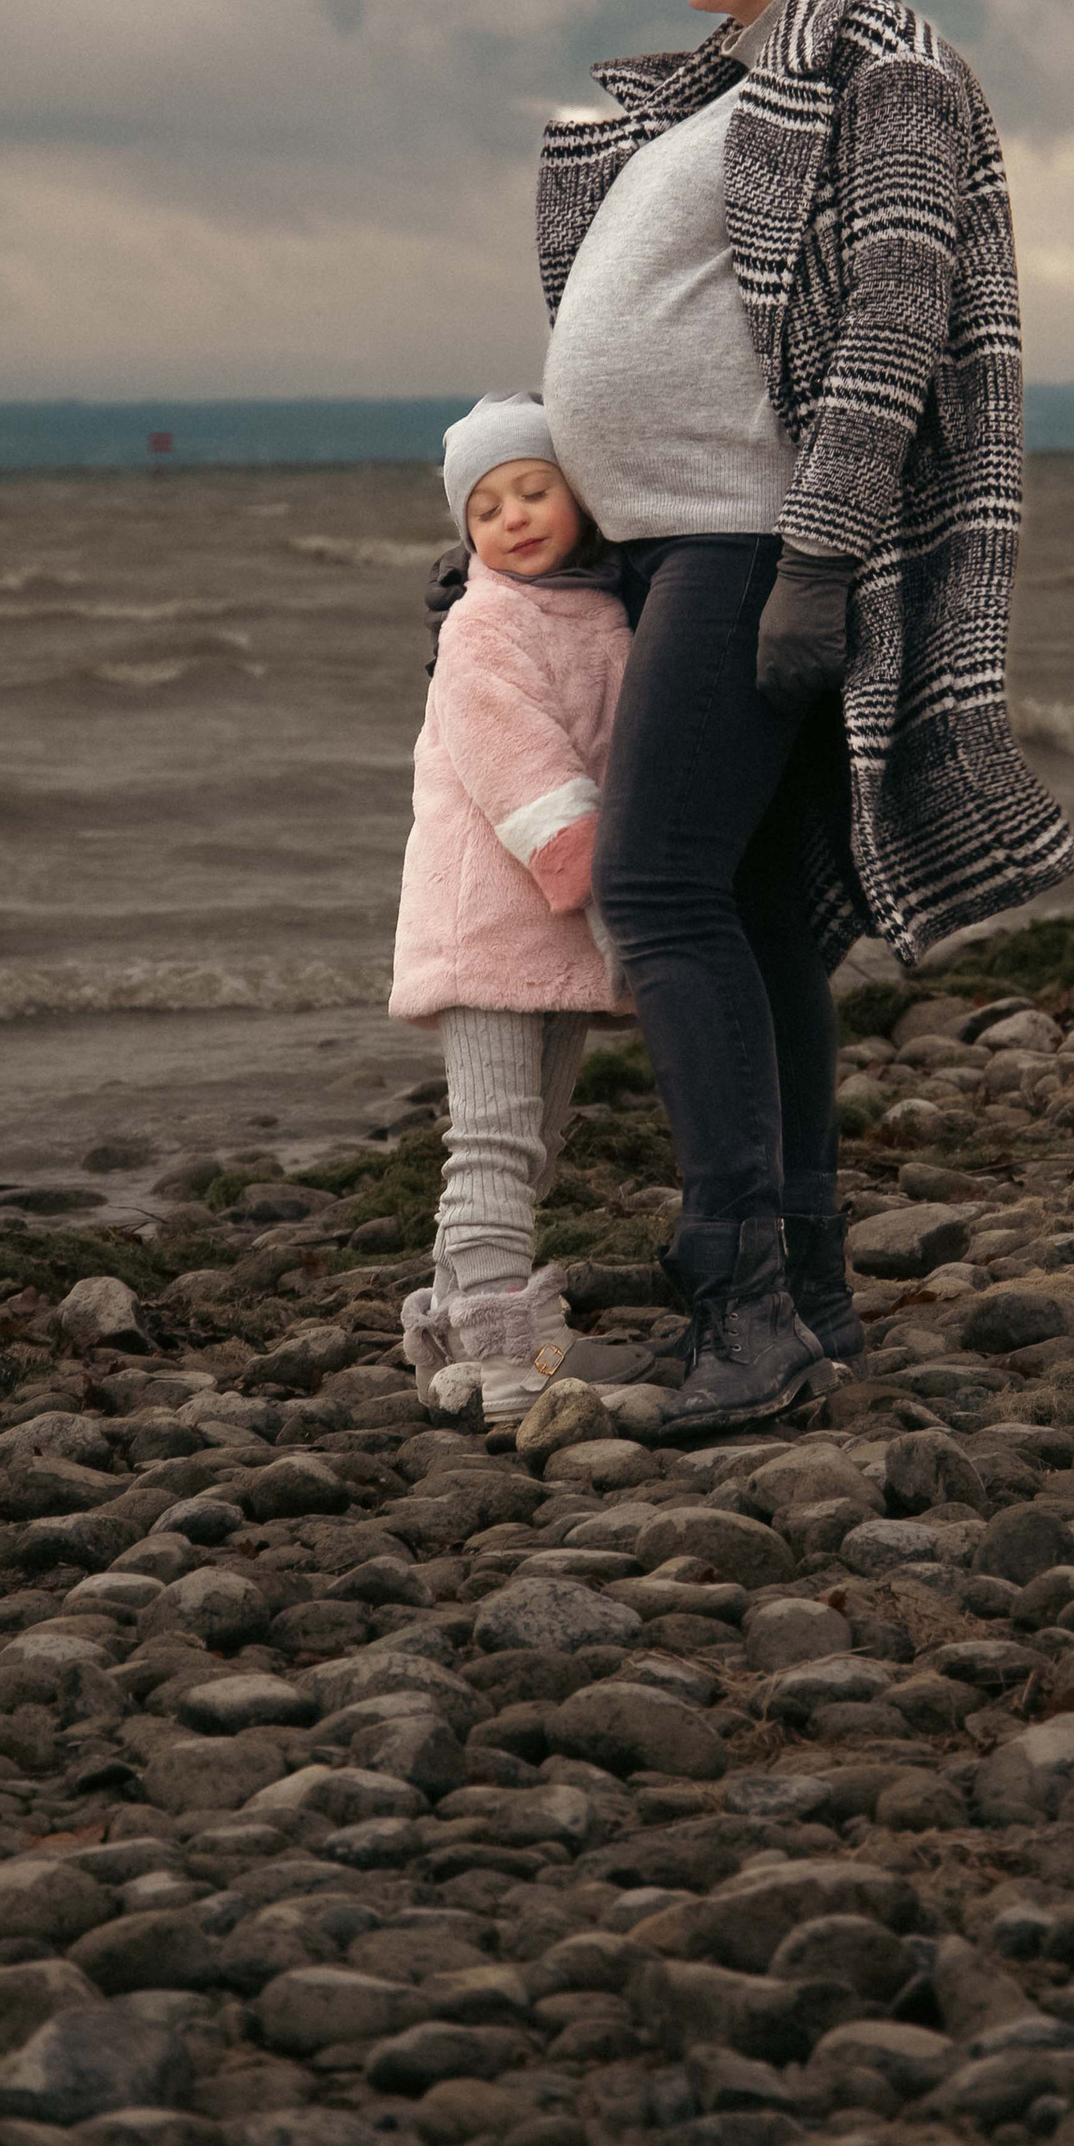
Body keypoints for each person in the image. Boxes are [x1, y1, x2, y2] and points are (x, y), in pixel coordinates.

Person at [539, 0, 1074, 1437]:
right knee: (759, 914)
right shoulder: (711, 95)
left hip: (753, 541)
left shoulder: (883, 72)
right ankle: (811, 1293)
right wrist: (535, 519)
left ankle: (737, 1298)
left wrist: (826, 554)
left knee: (657, 893)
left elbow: (896, 323)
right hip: (666, 540)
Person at [386, 394, 635, 1422]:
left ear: (579, 496)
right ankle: (504, 1358)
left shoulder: (604, 611)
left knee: (537, 1135)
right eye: (487, 509)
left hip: (562, 927)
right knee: (491, 1136)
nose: (516, 518)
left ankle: (449, 1328)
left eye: (534, 490)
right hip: (491, 917)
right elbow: (523, 774)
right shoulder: (485, 624)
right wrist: (610, 888)